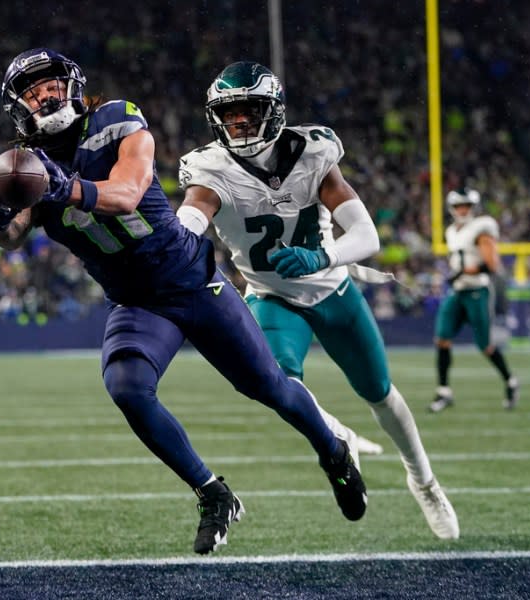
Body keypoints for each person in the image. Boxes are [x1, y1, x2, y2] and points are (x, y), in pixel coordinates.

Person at [0, 48, 368, 555]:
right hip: (136, 301)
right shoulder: (28, 165)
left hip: (189, 280)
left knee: (269, 386)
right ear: (18, 105)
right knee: (127, 385)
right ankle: (213, 494)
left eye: (52, 83)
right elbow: (12, 236)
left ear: (73, 84)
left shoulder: (116, 118)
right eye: (33, 89)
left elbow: (127, 192)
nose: (46, 93)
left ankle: (334, 452)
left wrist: (69, 187)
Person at [177, 61, 459, 540]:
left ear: (274, 111)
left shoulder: (312, 152)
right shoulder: (209, 169)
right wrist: (176, 240)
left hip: (333, 290)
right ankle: (335, 438)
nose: (240, 121)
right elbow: (191, 219)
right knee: (279, 384)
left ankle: (424, 480)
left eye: (250, 110)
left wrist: (320, 256)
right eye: (230, 113)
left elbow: (366, 235)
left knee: (381, 393)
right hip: (270, 296)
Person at [429, 188, 519, 412]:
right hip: (458, 292)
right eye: (459, 206)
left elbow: (492, 264)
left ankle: (510, 381)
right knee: (442, 339)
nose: (463, 210)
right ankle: (444, 391)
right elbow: (456, 261)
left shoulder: (482, 227)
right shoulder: (451, 231)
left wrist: (464, 272)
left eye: (466, 206)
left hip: (478, 292)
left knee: (485, 346)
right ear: (452, 208)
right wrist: (452, 275)